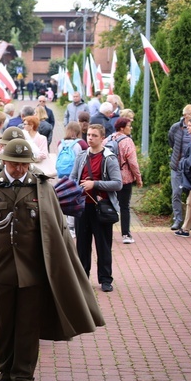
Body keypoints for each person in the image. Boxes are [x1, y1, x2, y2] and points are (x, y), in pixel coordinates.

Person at [0, 137, 105, 381]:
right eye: (15, 164)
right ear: (4, 161)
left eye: (24, 164)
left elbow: (56, 227)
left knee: (28, 327)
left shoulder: (41, 187)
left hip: (33, 269)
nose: (20, 169)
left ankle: (24, 378)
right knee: (3, 326)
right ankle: (4, 375)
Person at [70, 124, 123, 292]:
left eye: (94, 135)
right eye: (89, 135)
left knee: (103, 245)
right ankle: (82, 278)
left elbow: (118, 183)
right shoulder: (81, 156)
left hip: (101, 209)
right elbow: (72, 177)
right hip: (82, 207)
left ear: (102, 138)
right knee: (82, 246)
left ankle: (106, 279)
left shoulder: (109, 158)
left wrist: (95, 183)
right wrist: (73, 186)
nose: (90, 138)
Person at [108, 117, 142, 244]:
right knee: (124, 207)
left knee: (109, 204)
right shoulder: (127, 141)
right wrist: (138, 178)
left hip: (110, 178)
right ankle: (126, 235)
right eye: (129, 125)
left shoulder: (109, 139)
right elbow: (133, 163)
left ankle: (107, 232)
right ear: (122, 128)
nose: (131, 128)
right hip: (124, 178)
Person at [168, 105, 191, 231]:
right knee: (176, 193)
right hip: (177, 166)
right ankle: (177, 219)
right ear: (185, 116)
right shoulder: (176, 127)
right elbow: (171, 141)